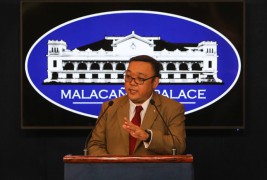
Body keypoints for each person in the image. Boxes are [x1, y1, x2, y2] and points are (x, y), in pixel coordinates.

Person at [88, 55, 186, 155]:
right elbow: (95, 145)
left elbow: (178, 146)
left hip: (153, 170)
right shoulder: (110, 107)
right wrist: (113, 166)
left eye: (140, 78)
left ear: (155, 82)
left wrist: (148, 137)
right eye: (128, 77)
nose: (132, 83)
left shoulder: (172, 108)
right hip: (114, 170)